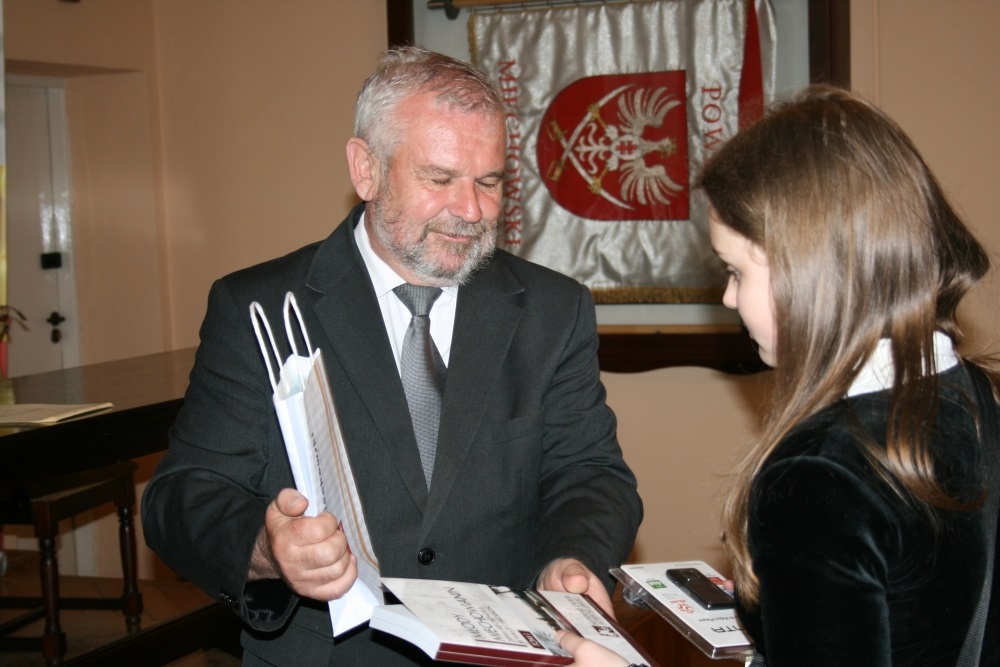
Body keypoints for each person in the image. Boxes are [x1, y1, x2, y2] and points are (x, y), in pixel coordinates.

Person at [141, 46, 642, 666]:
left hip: (504, 653)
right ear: (366, 169)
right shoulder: (259, 307)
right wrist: (267, 548)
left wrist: (571, 557)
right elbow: (182, 496)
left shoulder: (552, 309)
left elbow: (589, 473)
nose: (472, 210)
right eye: (440, 179)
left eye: (489, 182)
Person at [557, 85, 998, 666]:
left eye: (736, 271)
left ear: (808, 272)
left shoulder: (819, 477)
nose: (728, 297)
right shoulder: (972, 394)